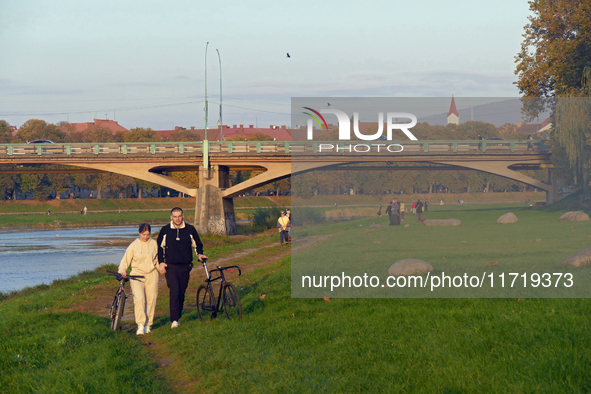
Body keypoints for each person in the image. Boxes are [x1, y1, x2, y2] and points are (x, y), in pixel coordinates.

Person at [157, 207, 206, 329]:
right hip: (171, 266)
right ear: (171, 217)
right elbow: (159, 248)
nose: (177, 219)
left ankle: (177, 316)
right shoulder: (165, 230)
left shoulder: (190, 229)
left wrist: (199, 254)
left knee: (181, 293)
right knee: (174, 291)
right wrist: (161, 263)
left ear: (183, 216)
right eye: (175, 216)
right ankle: (174, 320)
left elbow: (197, 244)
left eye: (179, 216)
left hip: (185, 266)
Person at [118, 223, 160, 335]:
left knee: (152, 300)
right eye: (143, 234)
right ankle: (140, 325)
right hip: (136, 275)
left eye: (147, 234)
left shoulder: (154, 244)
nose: (145, 237)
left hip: (151, 275)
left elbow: (157, 260)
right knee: (140, 299)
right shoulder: (133, 245)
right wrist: (123, 270)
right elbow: (125, 260)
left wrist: (161, 267)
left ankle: (148, 325)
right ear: (139, 233)